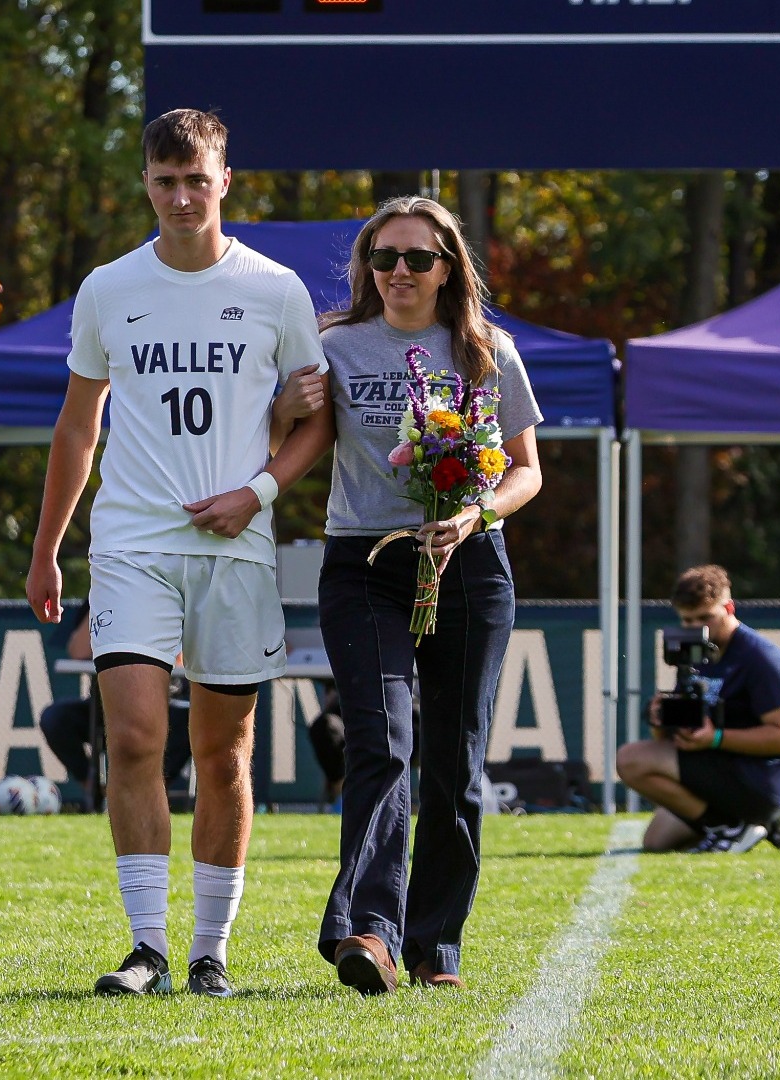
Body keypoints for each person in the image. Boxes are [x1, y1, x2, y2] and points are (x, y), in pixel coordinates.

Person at [27, 108, 329, 999]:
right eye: (165, 182)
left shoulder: (275, 289)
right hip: (130, 545)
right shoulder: (108, 288)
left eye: (197, 179)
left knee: (224, 754)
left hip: (236, 548)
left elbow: (315, 422)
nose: (182, 197)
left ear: (224, 179)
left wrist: (259, 492)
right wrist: (47, 549)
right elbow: (79, 427)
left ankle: (210, 952)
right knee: (133, 739)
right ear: (146, 186)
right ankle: (147, 948)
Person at [286, 197, 542, 995]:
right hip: (363, 564)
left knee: (455, 764)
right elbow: (292, 441)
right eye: (384, 257)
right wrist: (280, 415)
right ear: (367, 266)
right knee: (380, 741)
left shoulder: (485, 351)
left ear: (448, 269)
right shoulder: (332, 346)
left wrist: (472, 515)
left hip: (468, 564)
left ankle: (439, 949)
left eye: (418, 259)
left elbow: (527, 471)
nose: (399, 272)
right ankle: (371, 933)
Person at [617, 565, 780, 856]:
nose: (697, 628)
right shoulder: (698, 652)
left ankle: (733, 825)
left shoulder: (761, 658)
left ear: (729, 607)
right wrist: (661, 718)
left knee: (630, 758)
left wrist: (716, 738)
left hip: (755, 775)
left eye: (706, 617)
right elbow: (671, 739)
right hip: (717, 766)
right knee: (657, 841)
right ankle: (739, 823)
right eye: (688, 620)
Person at [37, 604, 194, 810]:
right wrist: (102, 599)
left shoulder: (176, 592)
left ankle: (148, 796)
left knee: (192, 722)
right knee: (56, 718)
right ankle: (97, 792)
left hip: (167, 706)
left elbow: (182, 661)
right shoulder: (105, 592)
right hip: (108, 706)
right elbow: (78, 650)